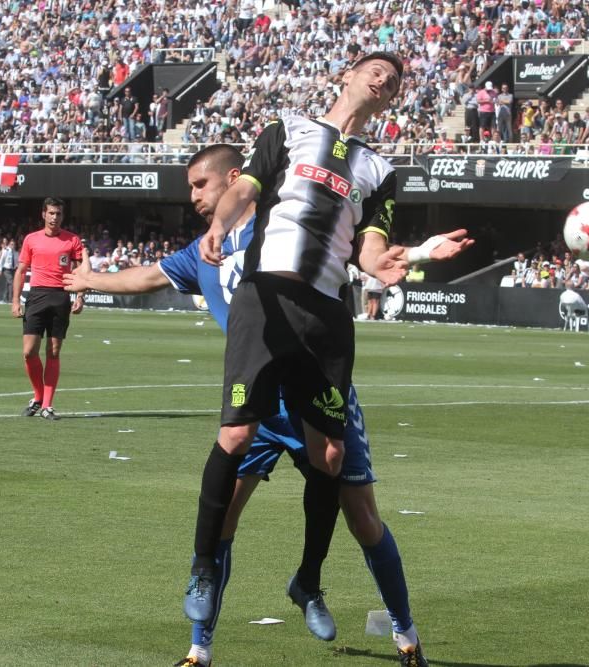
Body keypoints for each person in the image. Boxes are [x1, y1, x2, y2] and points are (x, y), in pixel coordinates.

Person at [64, 145, 471, 667]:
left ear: (235, 180)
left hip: (315, 394)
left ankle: (404, 635)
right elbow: (148, 277)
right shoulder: (202, 251)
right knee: (223, 518)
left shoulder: (287, 226)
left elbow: (358, 255)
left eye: (199, 185)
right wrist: (91, 281)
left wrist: (416, 254)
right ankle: (199, 650)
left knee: (362, 516)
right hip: (255, 403)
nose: (193, 198)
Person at [187, 52, 441, 664]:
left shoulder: (379, 170)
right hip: (267, 295)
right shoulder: (287, 129)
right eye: (376, 70)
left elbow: (370, 248)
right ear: (349, 75)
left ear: (393, 99)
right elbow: (243, 188)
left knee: (330, 455)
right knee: (236, 434)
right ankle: (201, 573)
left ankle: (309, 580)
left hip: (326, 313)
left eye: (396, 80)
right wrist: (220, 225)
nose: (385, 80)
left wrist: (392, 261)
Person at [11, 198, 84, 421]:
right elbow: (21, 271)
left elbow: (82, 271)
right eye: (51, 213)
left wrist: (80, 296)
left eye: (59, 214)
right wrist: (15, 300)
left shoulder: (72, 240)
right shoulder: (31, 239)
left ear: (63, 216)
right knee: (28, 351)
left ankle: (47, 405)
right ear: (43, 214)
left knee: (53, 351)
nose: (55, 217)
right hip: (36, 296)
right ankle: (38, 396)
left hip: (60, 297)